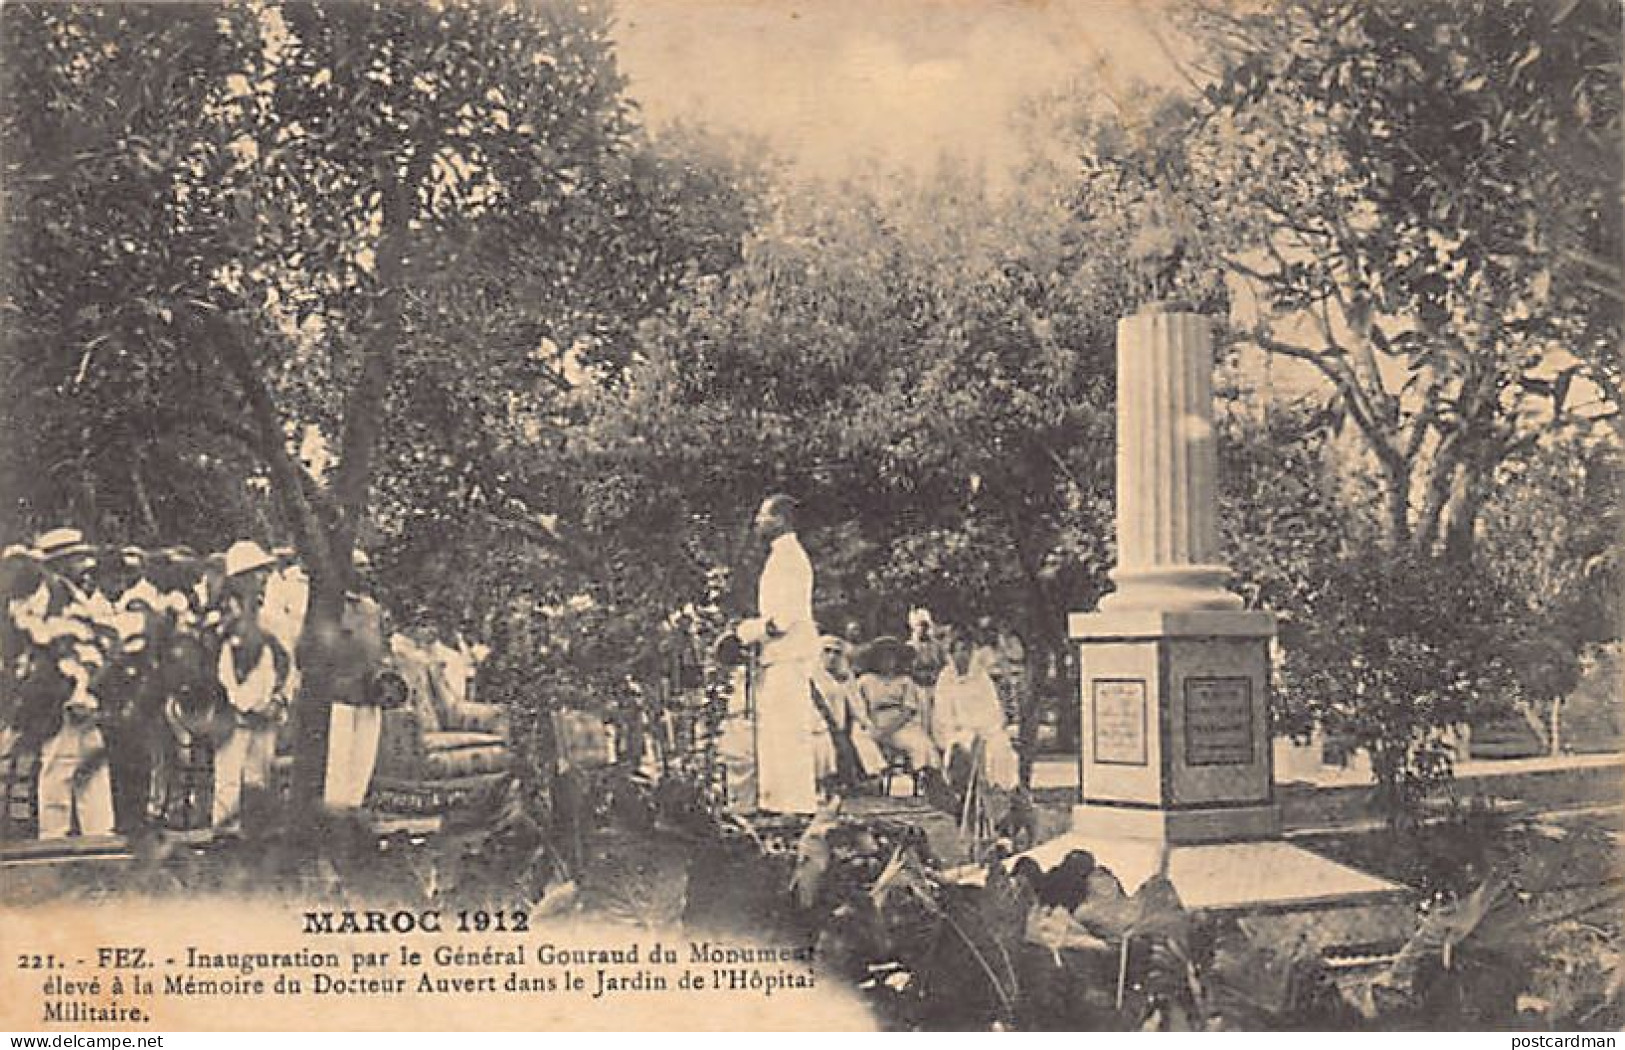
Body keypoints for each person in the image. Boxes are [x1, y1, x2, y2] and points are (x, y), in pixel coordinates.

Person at [735, 494, 819, 815]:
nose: (758, 522)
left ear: (780, 519)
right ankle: (780, 804)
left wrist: (747, 631)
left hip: (788, 655)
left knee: (788, 732)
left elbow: (781, 621)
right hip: (780, 657)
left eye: (763, 516)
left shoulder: (790, 559)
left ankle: (796, 806)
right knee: (777, 732)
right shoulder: (781, 557)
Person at [212, 541, 288, 832]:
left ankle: (258, 838)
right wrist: (244, 705)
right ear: (240, 577)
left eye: (265, 574)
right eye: (257, 573)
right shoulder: (224, 616)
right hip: (234, 711)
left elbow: (285, 662)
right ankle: (224, 840)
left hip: (266, 708)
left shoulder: (271, 618)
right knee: (228, 779)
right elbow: (223, 671)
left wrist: (278, 699)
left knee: (259, 778)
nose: (263, 579)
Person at [932, 625, 1019, 790]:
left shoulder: (981, 676)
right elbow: (943, 714)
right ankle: (965, 788)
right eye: (958, 650)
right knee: (965, 746)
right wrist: (966, 729)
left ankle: (998, 791)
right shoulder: (946, 678)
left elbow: (992, 708)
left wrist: (986, 729)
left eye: (967, 650)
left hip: (985, 730)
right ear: (951, 653)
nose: (963, 655)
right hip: (957, 730)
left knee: (1000, 746)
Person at [852, 636, 937, 773]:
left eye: (891, 657)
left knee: (920, 743)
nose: (887, 662)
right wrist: (872, 726)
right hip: (874, 721)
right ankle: (878, 771)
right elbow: (858, 707)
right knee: (859, 736)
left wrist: (888, 729)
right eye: (883, 657)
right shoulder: (865, 681)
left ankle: (924, 776)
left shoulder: (905, 681)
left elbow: (908, 710)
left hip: (899, 724)